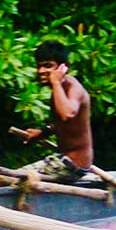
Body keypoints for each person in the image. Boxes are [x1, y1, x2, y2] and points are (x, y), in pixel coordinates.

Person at [20, 40, 93, 181]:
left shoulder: (73, 88)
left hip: (72, 165)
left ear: (62, 68)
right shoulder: (59, 88)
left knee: (13, 179)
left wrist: (56, 82)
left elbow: (67, 114)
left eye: (48, 66)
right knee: (9, 176)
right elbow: (64, 123)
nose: (41, 71)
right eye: (39, 66)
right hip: (62, 159)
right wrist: (43, 132)